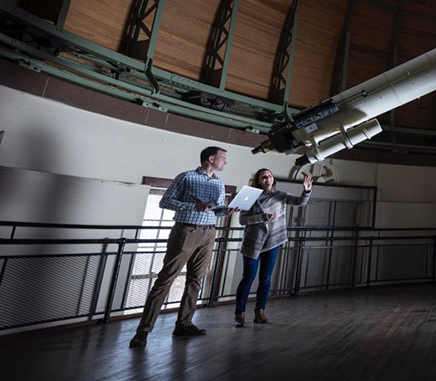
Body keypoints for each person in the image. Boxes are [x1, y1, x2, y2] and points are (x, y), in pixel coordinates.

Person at [129, 146, 240, 348]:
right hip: (185, 232)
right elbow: (165, 202)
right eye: (223, 158)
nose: (226, 162)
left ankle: (184, 324)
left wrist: (228, 211)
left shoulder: (219, 182)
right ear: (211, 159)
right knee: (166, 279)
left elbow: (214, 211)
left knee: (195, 280)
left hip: (209, 233)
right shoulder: (186, 177)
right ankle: (142, 332)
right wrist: (193, 206)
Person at [232, 168, 313, 327]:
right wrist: (263, 217)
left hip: (273, 240)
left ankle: (259, 311)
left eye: (269, 176)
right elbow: (242, 220)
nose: (267, 178)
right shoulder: (250, 196)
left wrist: (307, 190)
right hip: (253, 241)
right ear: (258, 181)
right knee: (248, 277)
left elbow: (300, 202)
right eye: (263, 177)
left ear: (273, 179)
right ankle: (239, 314)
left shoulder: (280, 195)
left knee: (266, 278)